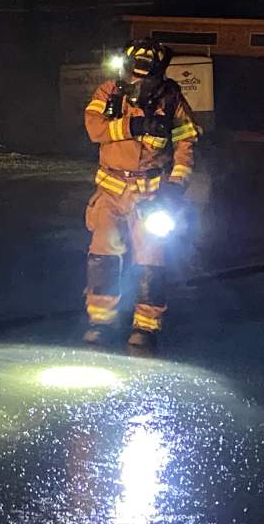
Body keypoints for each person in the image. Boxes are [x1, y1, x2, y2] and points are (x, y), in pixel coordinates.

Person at [82, 38, 200, 350]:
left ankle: (146, 327)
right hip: (110, 192)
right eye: (135, 71)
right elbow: (94, 128)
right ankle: (101, 321)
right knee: (103, 256)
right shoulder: (108, 92)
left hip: (152, 196)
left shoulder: (171, 99)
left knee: (152, 260)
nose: (138, 80)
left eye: (145, 74)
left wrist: (175, 187)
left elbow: (186, 144)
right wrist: (133, 125)